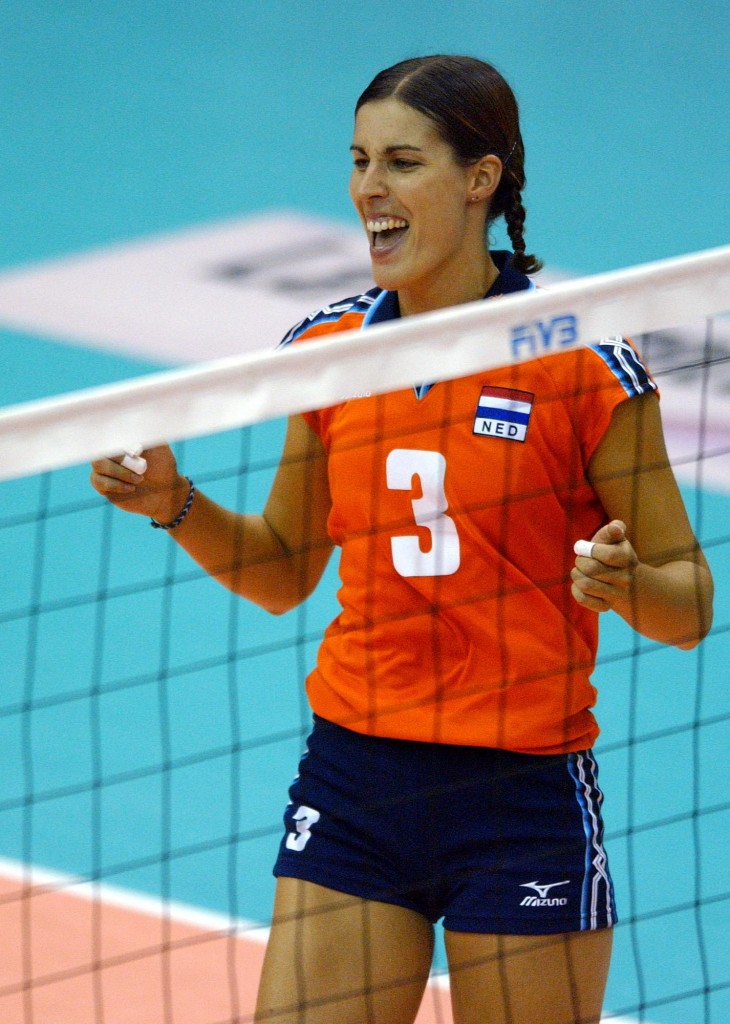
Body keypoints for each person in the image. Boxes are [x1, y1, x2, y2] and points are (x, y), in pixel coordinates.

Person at [91, 55, 713, 1024]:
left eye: (402, 162)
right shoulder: (328, 353)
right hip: (357, 777)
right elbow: (283, 571)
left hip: (519, 794)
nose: (369, 190)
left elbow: (691, 603)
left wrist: (628, 583)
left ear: (480, 179)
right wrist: (176, 503)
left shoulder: (580, 361)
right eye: (359, 161)